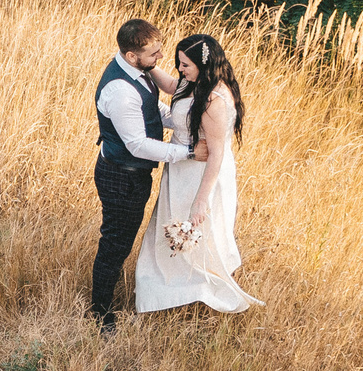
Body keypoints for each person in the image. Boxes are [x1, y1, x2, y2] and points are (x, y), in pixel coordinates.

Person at [135, 32, 262, 316]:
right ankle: (169, 294)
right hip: (181, 169)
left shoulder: (214, 100)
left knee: (195, 234)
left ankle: (197, 293)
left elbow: (216, 154)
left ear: (202, 66)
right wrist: (147, 63)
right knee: (171, 231)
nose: (180, 70)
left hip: (202, 175)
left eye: (185, 65)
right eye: (179, 63)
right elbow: (171, 85)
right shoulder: (194, 82)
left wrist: (200, 200)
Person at [90, 17, 193, 332]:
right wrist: (186, 153)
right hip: (121, 176)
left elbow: (153, 111)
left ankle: (105, 302)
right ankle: (100, 314)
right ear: (132, 55)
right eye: (153, 54)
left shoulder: (139, 72)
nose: (160, 58)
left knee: (120, 241)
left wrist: (183, 122)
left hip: (132, 175)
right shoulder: (120, 90)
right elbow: (137, 145)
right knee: (115, 244)